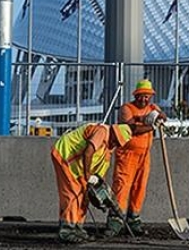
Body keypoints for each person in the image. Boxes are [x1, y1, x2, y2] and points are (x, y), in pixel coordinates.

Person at [50, 123, 133, 243]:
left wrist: (98, 191)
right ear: (114, 133)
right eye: (116, 140)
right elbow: (88, 152)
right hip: (64, 155)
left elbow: (100, 174)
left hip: (76, 166)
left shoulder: (108, 150)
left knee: (84, 195)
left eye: (118, 143)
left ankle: (77, 227)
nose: (116, 144)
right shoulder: (102, 132)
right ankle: (67, 230)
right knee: (73, 194)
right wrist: (87, 175)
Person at [107, 79, 168, 237]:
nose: (144, 99)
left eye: (147, 96)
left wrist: (160, 116)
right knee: (122, 186)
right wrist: (151, 125)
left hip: (144, 155)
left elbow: (163, 116)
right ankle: (115, 220)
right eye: (141, 96)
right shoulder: (126, 108)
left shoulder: (152, 108)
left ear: (151, 97)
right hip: (127, 155)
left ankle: (133, 219)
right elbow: (131, 127)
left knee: (139, 188)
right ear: (136, 95)